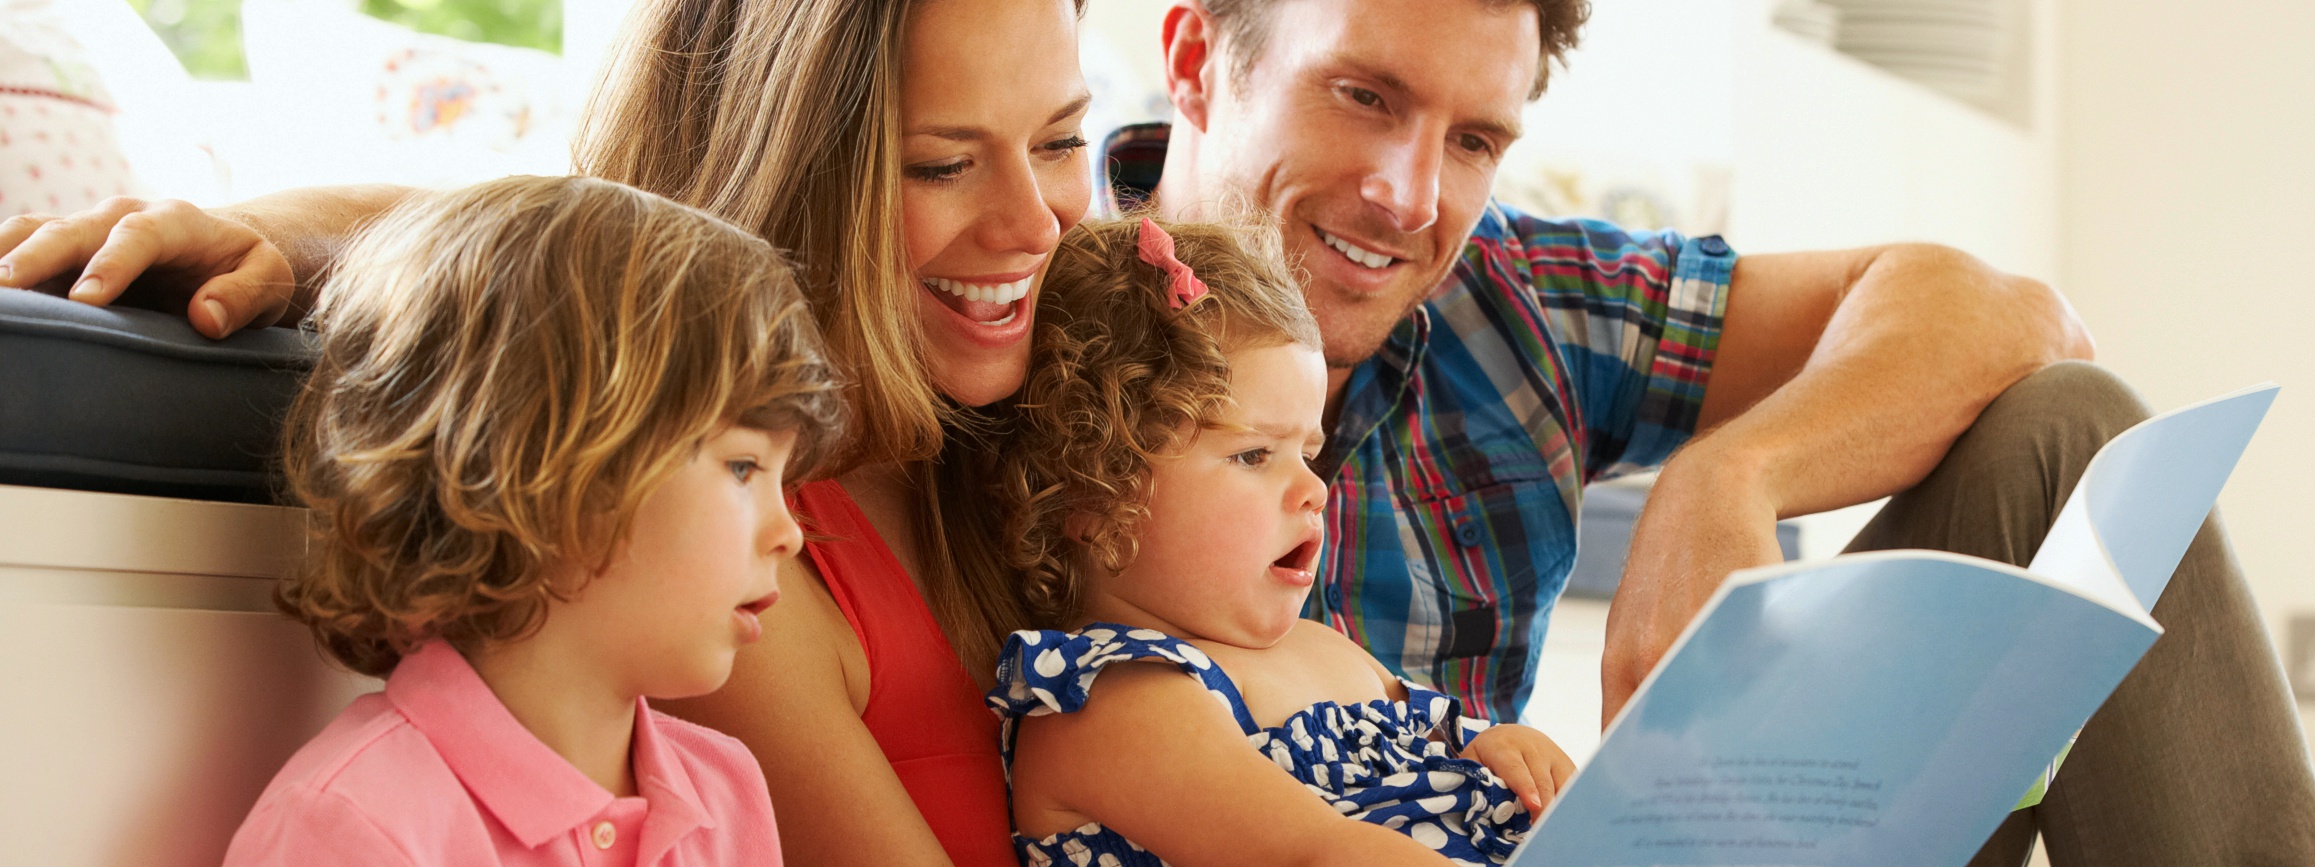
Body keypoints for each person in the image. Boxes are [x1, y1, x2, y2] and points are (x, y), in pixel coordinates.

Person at [1110, 0, 2315, 863]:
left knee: (2063, 430)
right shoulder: (1035, 325)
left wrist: (1730, 475)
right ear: (1197, 58)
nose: (1412, 197)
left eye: (1474, 139)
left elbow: (2011, 314)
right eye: (1362, 96)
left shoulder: (1510, 303)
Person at [0, 0, 1094, 862]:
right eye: (941, 164)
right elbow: (571, 249)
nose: (1037, 222)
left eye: (1062, 141)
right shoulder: (690, 569)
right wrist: (283, 238)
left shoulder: (1069, 384)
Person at [225, 174, 844, 865]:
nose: (787, 532)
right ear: (552, 468)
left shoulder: (726, 788)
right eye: (743, 468)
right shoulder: (355, 825)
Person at [977, 215, 1574, 867]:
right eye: (1254, 454)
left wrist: (1504, 749)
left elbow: (1451, 743)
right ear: (1091, 493)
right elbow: (1315, 854)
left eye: (1310, 454)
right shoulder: (1106, 702)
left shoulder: (1324, 649)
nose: (1314, 490)